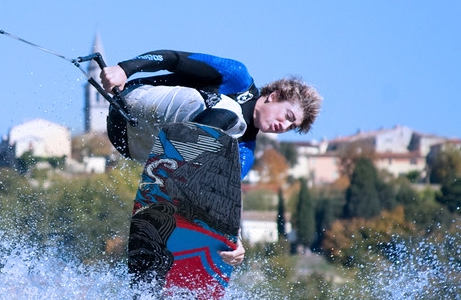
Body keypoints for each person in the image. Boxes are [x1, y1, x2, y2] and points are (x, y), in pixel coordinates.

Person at [100, 50, 322, 268]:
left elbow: (226, 196)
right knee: (232, 117)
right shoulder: (237, 77)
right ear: (274, 96)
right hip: (133, 104)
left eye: (291, 127)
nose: (283, 126)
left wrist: (234, 240)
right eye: (287, 116)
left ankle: (162, 235)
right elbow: (173, 59)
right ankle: (182, 170)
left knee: (221, 171)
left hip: (129, 143)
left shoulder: (245, 151)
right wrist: (124, 69)